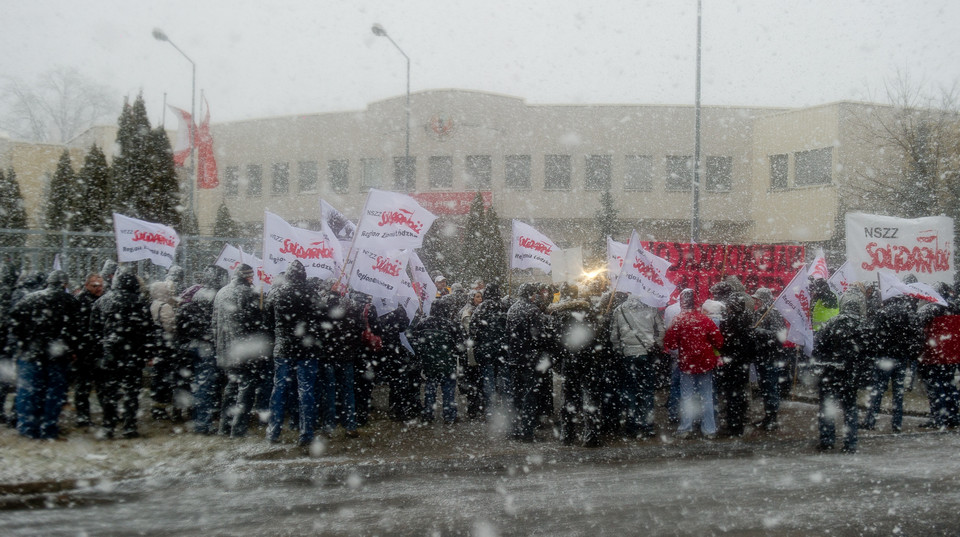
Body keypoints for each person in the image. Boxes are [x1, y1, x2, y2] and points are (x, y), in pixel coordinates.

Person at [8, 271, 81, 439]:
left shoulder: (29, 299)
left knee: (28, 392)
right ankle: (48, 428)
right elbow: (77, 329)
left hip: (31, 354)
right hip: (58, 355)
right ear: (65, 284)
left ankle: (27, 428)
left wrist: (24, 343)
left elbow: (14, 323)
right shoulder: (70, 302)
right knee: (54, 393)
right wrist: (72, 348)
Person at [90, 269, 155, 439]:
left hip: (110, 353)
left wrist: (100, 349)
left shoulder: (102, 301)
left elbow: (94, 330)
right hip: (133, 354)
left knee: (110, 391)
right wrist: (148, 352)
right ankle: (129, 426)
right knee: (131, 392)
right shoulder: (140, 302)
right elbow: (148, 330)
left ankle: (108, 426)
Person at [264, 261, 324, 445]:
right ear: (304, 275)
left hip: (283, 347)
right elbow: (322, 319)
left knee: (279, 389)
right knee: (306, 391)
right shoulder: (312, 293)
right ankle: (306, 433)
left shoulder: (276, 293)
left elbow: (267, 320)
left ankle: (274, 431)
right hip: (307, 348)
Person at [214, 264, 269, 438]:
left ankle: (224, 426)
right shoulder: (249, 293)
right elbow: (256, 323)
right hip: (244, 350)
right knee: (245, 389)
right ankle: (237, 430)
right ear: (248, 277)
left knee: (230, 388)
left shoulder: (221, 293)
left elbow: (214, 322)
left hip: (225, 349)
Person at [813, 292, 870, 453]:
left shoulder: (832, 322)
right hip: (850, 375)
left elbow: (818, 346)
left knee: (827, 407)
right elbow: (868, 353)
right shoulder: (863, 325)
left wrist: (822, 364)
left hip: (830, 372)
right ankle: (850, 443)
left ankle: (827, 440)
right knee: (850, 408)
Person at [663, 289, 723, 439]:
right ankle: (709, 429)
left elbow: (670, 343)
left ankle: (686, 428)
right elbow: (719, 341)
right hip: (705, 363)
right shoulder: (705, 319)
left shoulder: (678, 319)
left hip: (687, 363)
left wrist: (684, 343)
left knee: (687, 397)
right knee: (706, 397)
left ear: (682, 302)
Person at [862, 294, 922, 433]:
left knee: (877, 391)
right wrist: (910, 352)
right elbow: (916, 335)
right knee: (898, 393)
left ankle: (870, 421)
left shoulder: (882, 313)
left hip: (884, 357)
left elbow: (871, 334)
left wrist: (875, 350)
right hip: (901, 358)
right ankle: (897, 423)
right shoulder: (909, 314)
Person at [176, 265, 223, 435]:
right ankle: (202, 423)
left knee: (196, 383)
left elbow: (181, 324)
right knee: (206, 385)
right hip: (207, 347)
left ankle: (196, 417)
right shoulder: (217, 300)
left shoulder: (193, 299)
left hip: (193, 346)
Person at [611, 293, 664, 440]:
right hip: (647, 355)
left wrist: (620, 350)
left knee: (630, 392)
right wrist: (655, 346)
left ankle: (631, 426)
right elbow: (661, 330)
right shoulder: (651, 309)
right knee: (647, 391)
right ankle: (648, 426)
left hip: (629, 356)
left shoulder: (619, 310)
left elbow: (614, 336)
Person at [506, 283, 550, 442]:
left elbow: (508, 333)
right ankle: (527, 431)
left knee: (516, 394)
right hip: (529, 359)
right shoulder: (533, 310)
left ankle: (514, 429)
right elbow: (539, 336)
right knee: (530, 395)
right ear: (531, 295)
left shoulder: (512, 309)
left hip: (514, 358)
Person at [412, 300, 463, 424]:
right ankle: (449, 415)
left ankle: (428, 414)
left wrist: (423, 355)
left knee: (430, 387)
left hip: (430, 363)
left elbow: (415, 342)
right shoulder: (450, 325)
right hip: (447, 363)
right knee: (448, 389)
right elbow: (460, 344)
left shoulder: (423, 323)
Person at [470, 282, 509, 419]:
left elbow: (472, 328)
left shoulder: (481, 308)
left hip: (486, 351)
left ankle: (490, 412)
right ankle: (506, 410)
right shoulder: (504, 306)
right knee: (504, 381)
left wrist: (479, 341)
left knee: (489, 382)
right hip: (502, 350)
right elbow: (509, 328)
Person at [72, 272, 105, 428]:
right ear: (86, 286)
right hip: (84, 350)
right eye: (94, 286)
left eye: (100, 285)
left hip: (96, 349)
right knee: (83, 386)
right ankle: (83, 416)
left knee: (101, 384)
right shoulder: (80, 301)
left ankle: (106, 412)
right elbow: (76, 327)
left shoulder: (101, 300)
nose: (98, 288)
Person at [752, 287, 788, 431]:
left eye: (758, 299)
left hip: (771, 357)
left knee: (771, 388)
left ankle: (772, 418)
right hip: (761, 356)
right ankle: (767, 416)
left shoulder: (773, 313)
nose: (756, 302)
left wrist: (759, 332)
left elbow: (778, 336)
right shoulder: (759, 313)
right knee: (764, 388)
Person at [148, 280, 180, 421]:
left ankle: (156, 407)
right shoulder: (165, 307)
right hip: (165, 347)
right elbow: (170, 328)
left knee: (157, 378)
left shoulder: (151, 305)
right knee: (164, 379)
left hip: (155, 347)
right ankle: (161, 408)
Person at [458, 289, 485, 420]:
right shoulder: (468, 312)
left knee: (477, 379)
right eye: (478, 297)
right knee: (473, 379)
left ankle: (477, 406)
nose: (480, 299)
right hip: (470, 352)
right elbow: (471, 331)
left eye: (481, 297)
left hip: (474, 350)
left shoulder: (477, 310)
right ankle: (473, 408)